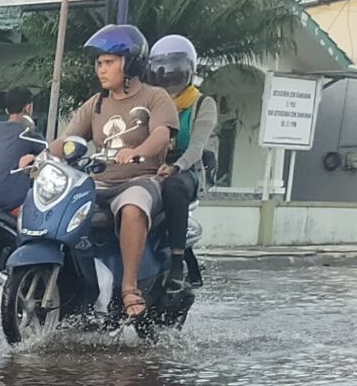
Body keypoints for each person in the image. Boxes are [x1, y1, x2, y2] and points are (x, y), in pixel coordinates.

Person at [27, 24, 177, 318]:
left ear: (130, 64)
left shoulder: (155, 97)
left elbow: (161, 134)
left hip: (140, 179)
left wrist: (137, 151)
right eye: (99, 63)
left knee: (133, 206)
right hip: (98, 182)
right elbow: (68, 140)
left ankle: (130, 287)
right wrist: (40, 157)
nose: (101, 69)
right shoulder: (95, 104)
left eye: (108, 62)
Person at [145, 34, 219, 263]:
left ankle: (176, 260)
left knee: (173, 188)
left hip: (186, 169)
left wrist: (176, 167)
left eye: (174, 69)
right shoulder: (150, 103)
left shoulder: (201, 103)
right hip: (151, 164)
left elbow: (197, 146)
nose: (168, 75)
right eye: (162, 69)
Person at [0, 89, 41, 217]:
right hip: (10, 201)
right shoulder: (27, 132)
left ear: (7, 110)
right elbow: (50, 151)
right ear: (28, 108)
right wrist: (34, 157)